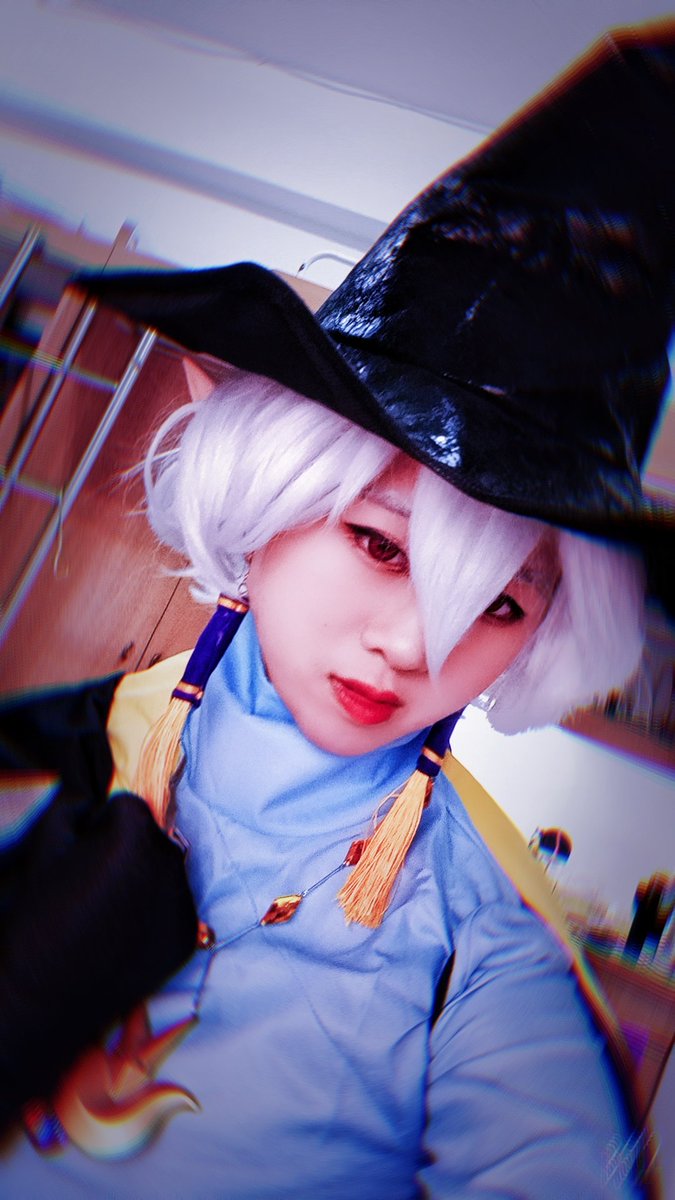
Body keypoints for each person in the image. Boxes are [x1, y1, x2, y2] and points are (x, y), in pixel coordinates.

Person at [1, 19, 674, 1200]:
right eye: (378, 543)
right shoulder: (52, 752)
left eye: (499, 606)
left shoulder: (486, 940)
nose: (414, 644)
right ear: (269, 497)